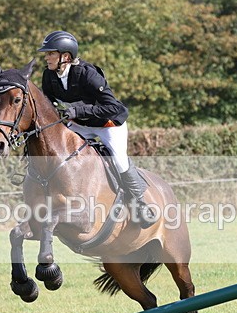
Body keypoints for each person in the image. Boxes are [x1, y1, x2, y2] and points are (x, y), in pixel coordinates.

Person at [37, 30, 156, 228]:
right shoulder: (49, 76)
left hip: (107, 124)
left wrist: (77, 111)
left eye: (51, 53)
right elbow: (49, 104)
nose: (46, 57)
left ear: (65, 56)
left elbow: (113, 107)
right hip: (80, 125)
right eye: (46, 54)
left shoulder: (88, 74)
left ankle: (141, 204)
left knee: (119, 160)